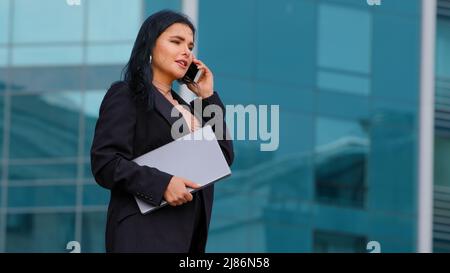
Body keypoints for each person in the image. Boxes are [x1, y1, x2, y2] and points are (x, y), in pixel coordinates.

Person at [90, 10, 234, 253]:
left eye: (190, 46)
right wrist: (162, 184)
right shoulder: (127, 94)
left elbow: (222, 157)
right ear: (149, 46)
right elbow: (105, 162)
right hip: (143, 233)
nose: (187, 51)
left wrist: (207, 96)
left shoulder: (189, 109)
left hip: (186, 237)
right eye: (176, 42)